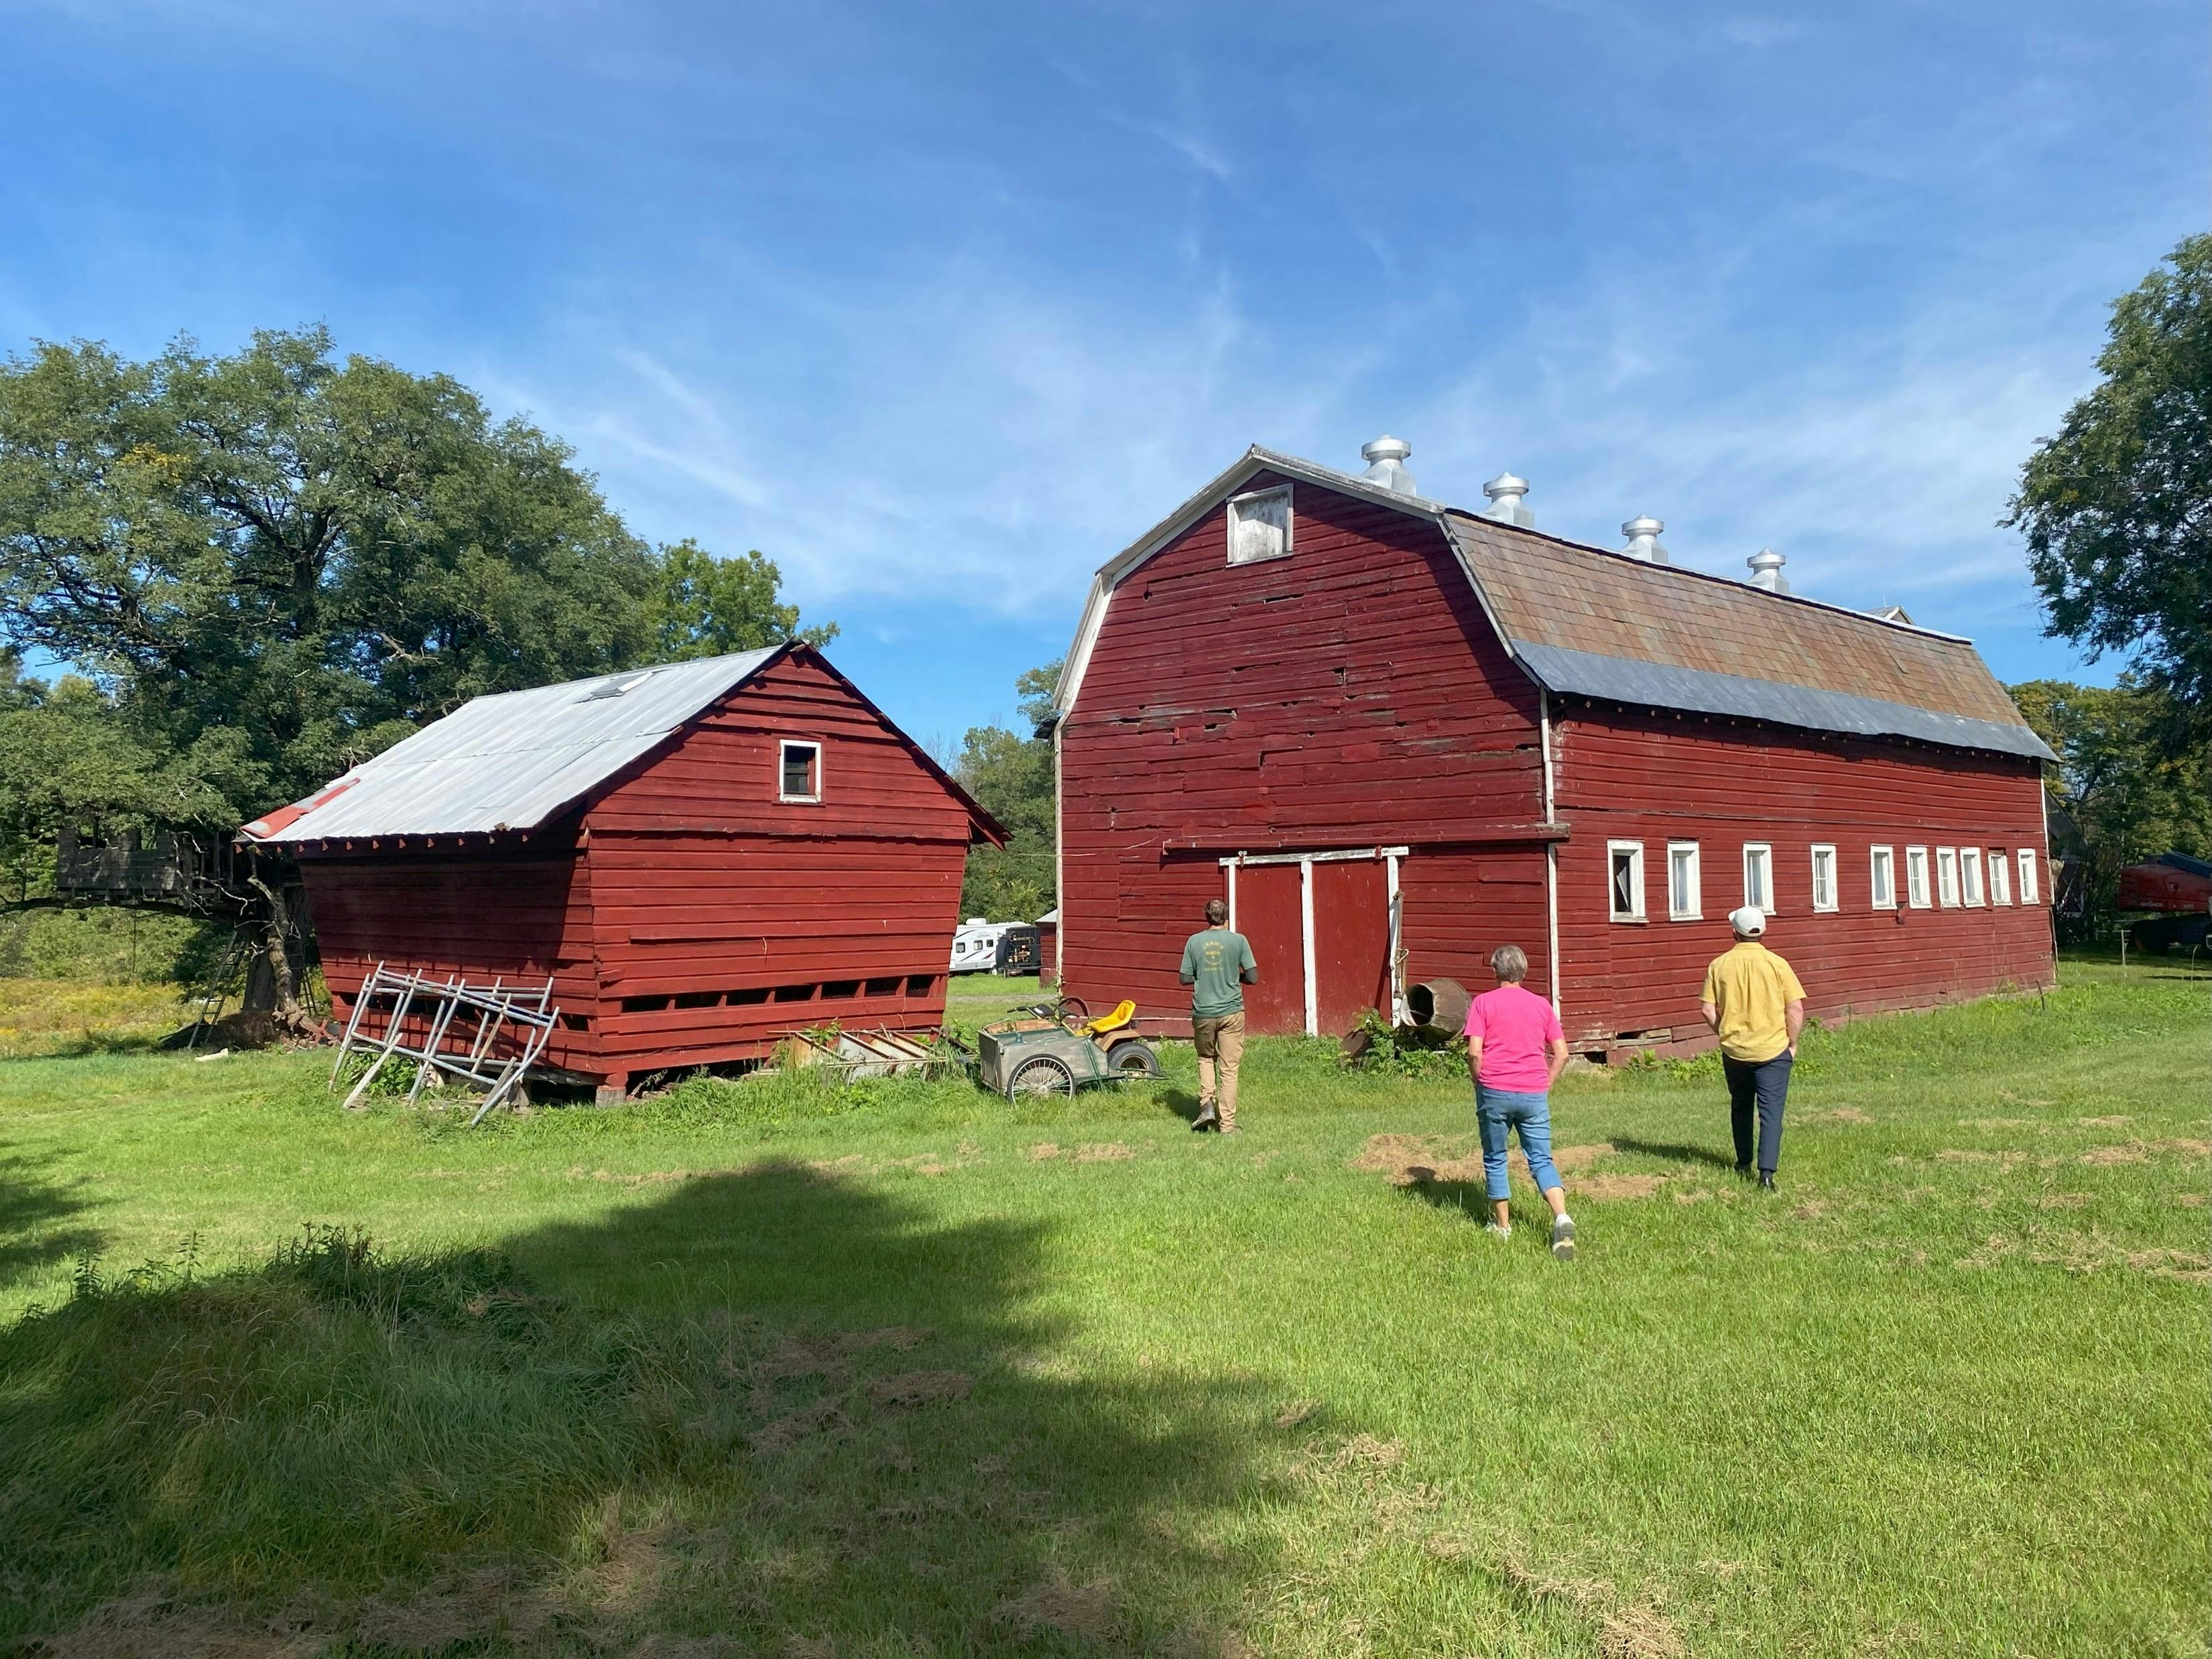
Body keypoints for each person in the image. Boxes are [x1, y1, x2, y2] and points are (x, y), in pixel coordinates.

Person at [1463, 943, 1576, 1260]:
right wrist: (1546, 1083)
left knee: (1496, 1157)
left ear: (1496, 971)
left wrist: (1477, 1079)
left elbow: (1474, 1051)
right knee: (1541, 1159)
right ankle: (1561, 1217)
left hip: (1495, 1090)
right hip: (1533, 1093)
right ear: (1524, 972)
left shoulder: (1483, 1003)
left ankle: (1503, 1226)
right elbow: (1563, 1053)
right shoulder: (1541, 1006)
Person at [1699, 906, 1806, 1192]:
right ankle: (1767, 1174)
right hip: (1773, 1050)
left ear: (1734, 932)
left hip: (1735, 1051)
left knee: (1741, 1106)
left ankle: (1743, 1161)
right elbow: (1795, 1008)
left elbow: (1708, 1010)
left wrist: (1723, 1032)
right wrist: (1792, 1043)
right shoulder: (1778, 964)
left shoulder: (1719, 965)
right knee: (1771, 1114)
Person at [1180, 898, 1257, 1134]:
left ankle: (1206, 1106)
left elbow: (1184, 978)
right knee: (1229, 1068)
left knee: (1205, 1058)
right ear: (1226, 917)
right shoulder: (1239, 941)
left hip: (1203, 1012)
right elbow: (1253, 977)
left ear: (1206, 916)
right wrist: (1235, 978)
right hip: (1232, 1012)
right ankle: (1228, 1126)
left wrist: (1203, 977)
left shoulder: (1194, 942)